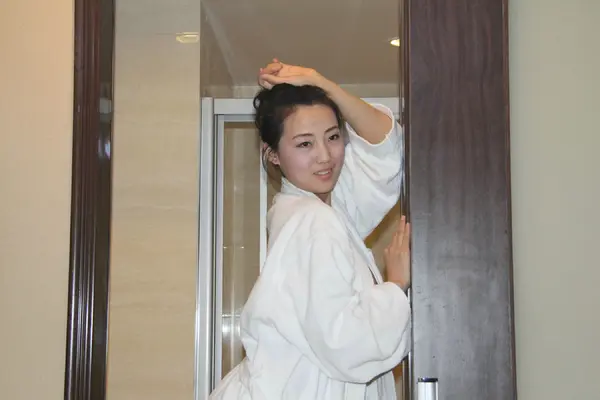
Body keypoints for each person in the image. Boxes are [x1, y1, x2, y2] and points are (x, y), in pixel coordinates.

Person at [209, 59, 412, 399]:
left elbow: (385, 149)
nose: (325, 156)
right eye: (305, 144)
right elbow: (346, 343)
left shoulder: (321, 208)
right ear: (273, 154)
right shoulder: (312, 220)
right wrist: (395, 284)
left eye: (333, 137)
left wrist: (321, 83)